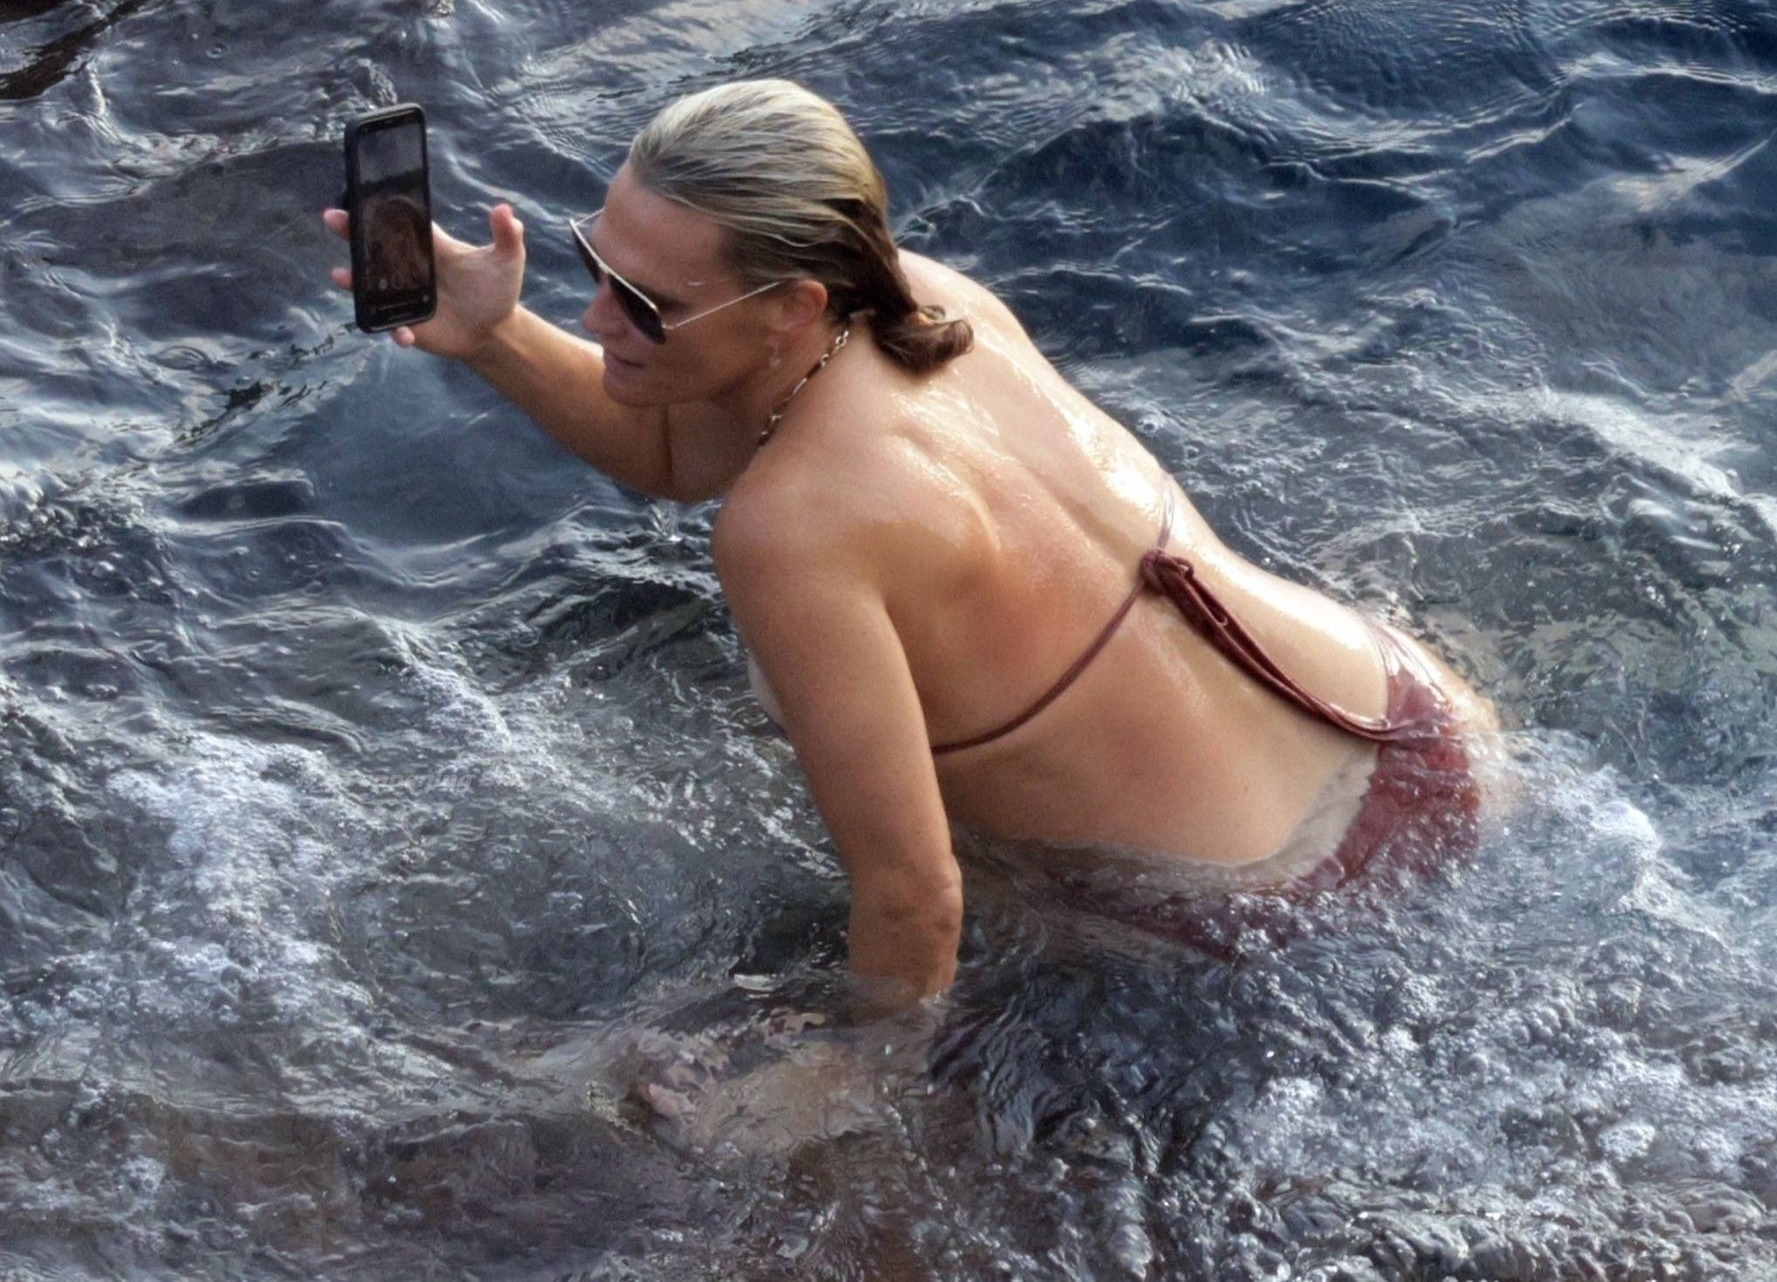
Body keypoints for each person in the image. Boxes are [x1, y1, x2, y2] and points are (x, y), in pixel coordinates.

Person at [321, 78, 1506, 1010]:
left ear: (792, 306)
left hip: (1269, 910)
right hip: (1417, 732)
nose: (595, 317)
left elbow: (914, 894)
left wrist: (857, 1078)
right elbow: (677, 451)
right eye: (597, 271)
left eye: (646, 305)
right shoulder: (925, 300)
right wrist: (493, 335)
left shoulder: (791, 530)